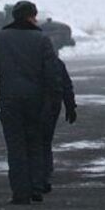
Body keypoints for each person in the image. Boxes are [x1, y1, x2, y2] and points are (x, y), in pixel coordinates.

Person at [0, 1, 77, 204]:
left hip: (10, 101)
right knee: (35, 144)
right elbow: (53, 74)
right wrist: (56, 100)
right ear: (30, 17)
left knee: (16, 147)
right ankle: (36, 187)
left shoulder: (0, 38)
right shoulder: (42, 40)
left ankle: (20, 193)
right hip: (36, 101)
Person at [40, 52, 77, 193]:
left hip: (30, 105)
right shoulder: (56, 63)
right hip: (51, 106)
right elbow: (66, 85)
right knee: (45, 142)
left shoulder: (25, 61)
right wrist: (70, 106)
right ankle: (44, 176)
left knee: (29, 142)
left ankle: (33, 179)